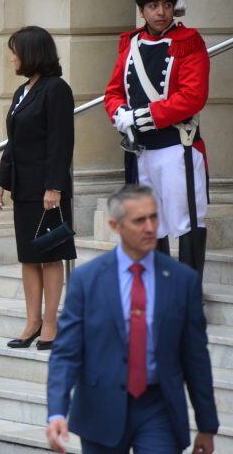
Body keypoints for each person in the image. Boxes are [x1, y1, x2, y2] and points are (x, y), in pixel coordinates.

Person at [46, 185, 218, 454]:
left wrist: (207, 425)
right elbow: (66, 353)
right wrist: (56, 412)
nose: (150, 227)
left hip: (158, 407)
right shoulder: (87, 280)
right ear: (116, 225)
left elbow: (195, 356)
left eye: (153, 217)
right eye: (139, 220)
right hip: (100, 407)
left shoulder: (182, 280)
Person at [104, 0, 209, 277]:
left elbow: (192, 97)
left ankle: (189, 289)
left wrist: (142, 116)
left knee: (186, 220)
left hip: (177, 147)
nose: (160, 11)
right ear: (142, 9)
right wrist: (118, 112)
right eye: (153, 4)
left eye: (166, 3)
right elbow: (113, 91)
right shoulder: (129, 44)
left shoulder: (189, 42)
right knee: (152, 223)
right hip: (141, 152)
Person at [0, 26, 76, 351]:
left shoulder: (56, 90)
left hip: (48, 191)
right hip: (23, 190)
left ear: (32, 53)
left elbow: (60, 142)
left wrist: (54, 187)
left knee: (51, 256)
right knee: (28, 257)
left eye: (16, 51)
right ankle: (32, 322)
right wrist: (1, 181)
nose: (12, 57)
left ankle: (51, 322)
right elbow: (13, 144)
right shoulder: (22, 92)